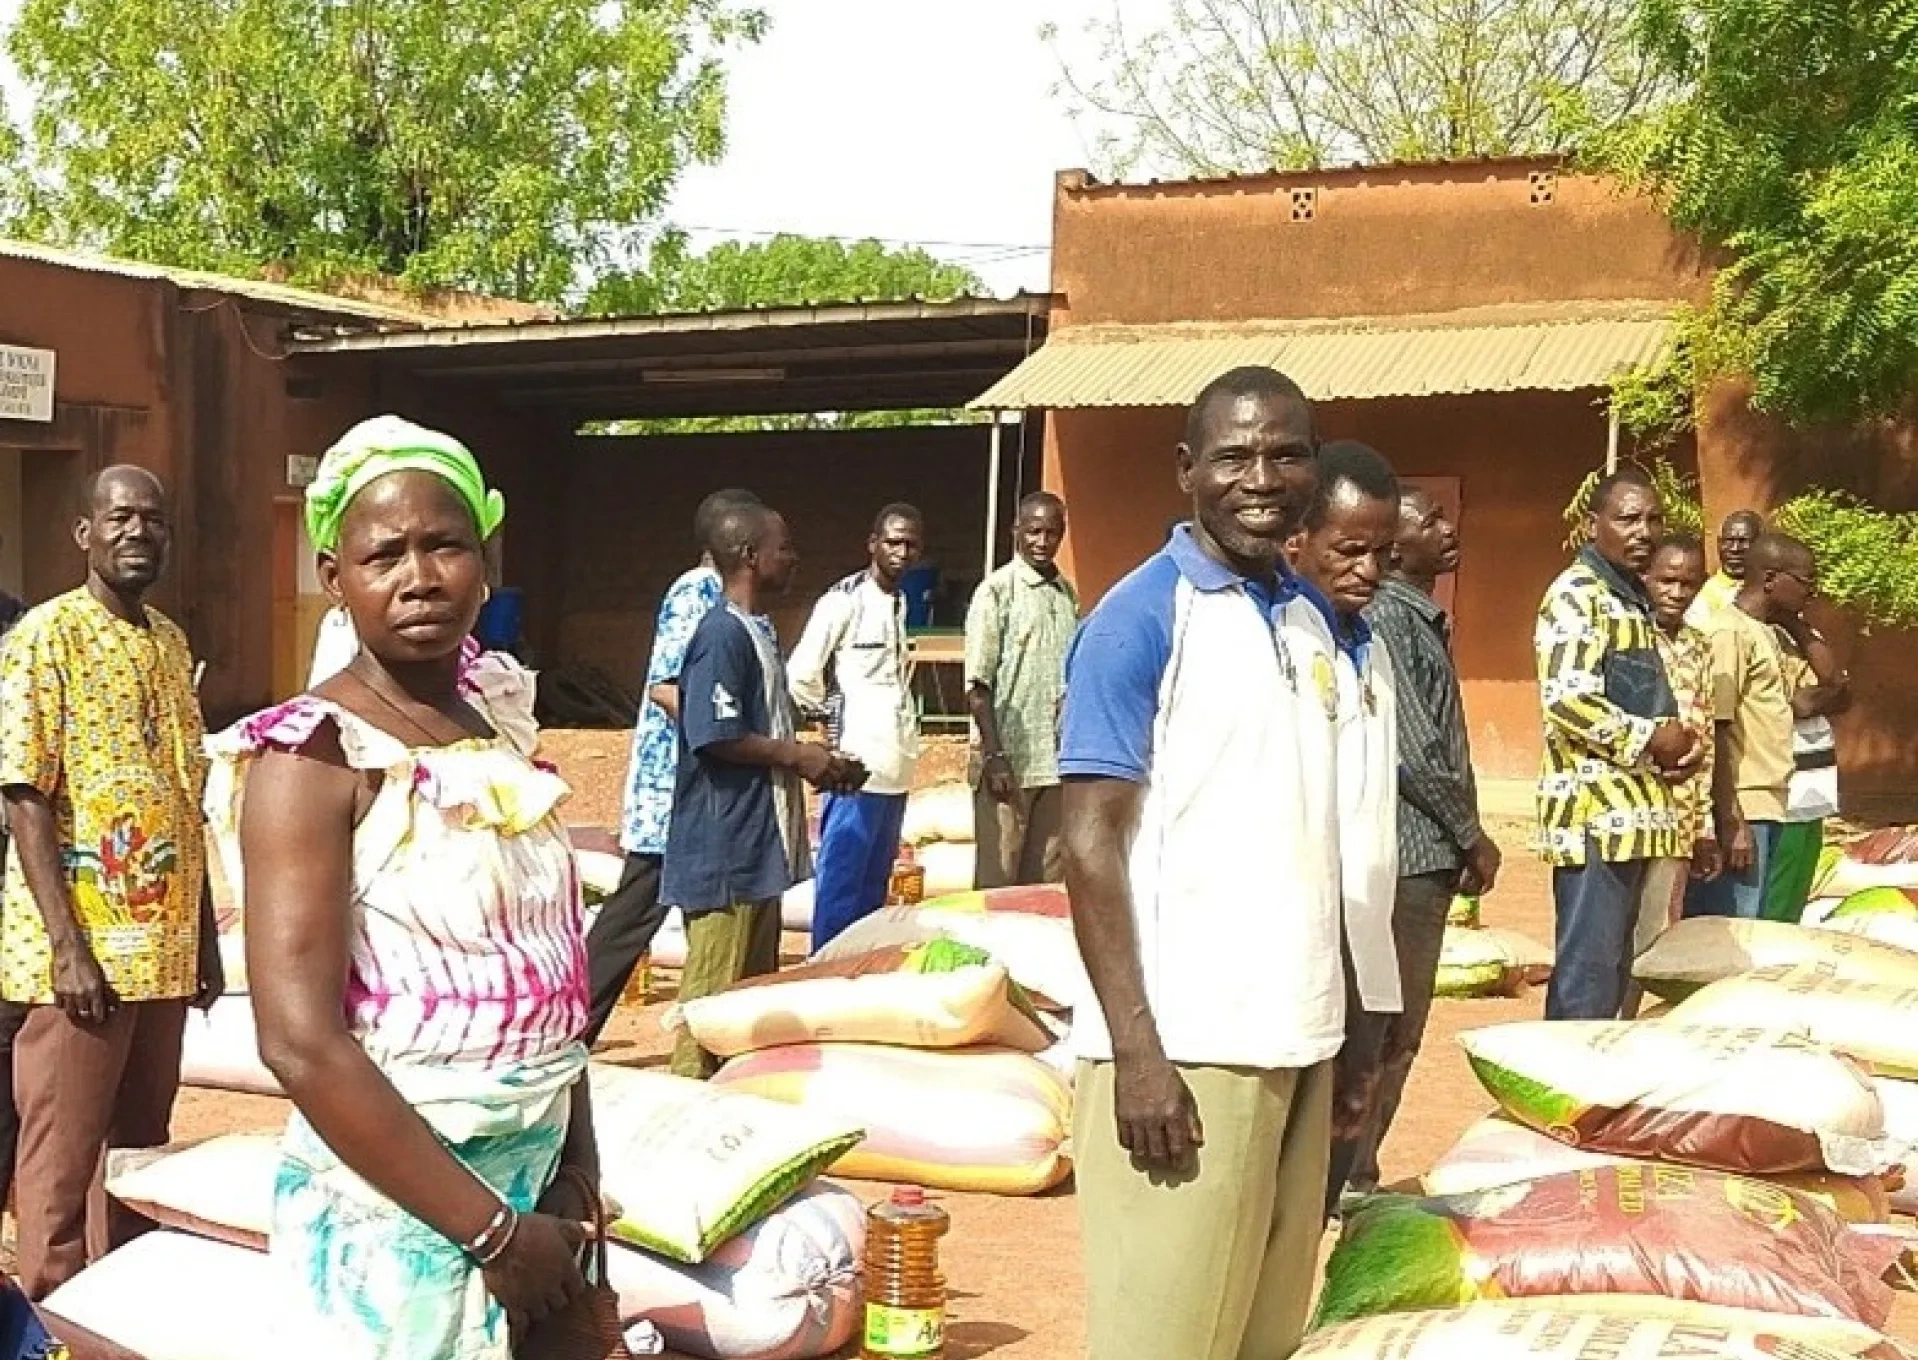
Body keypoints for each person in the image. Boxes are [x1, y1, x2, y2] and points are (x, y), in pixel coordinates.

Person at [212, 416, 597, 1358]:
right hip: (399, 1225)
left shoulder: (498, 719)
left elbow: (557, 976)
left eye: (445, 545)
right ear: (334, 578)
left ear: (485, 557)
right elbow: (299, 1042)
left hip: (540, 1199)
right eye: (384, 554)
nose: (420, 577)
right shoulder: (311, 758)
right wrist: (493, 1235)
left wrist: (576, 1187)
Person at [1062, 366, 1339, 1360]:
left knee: (1259, 1339)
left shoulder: (1309, 618)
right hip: (1186, 1054)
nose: (1260, 477)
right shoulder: (1140, 618)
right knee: (1163, 1342)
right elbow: (1086, 840)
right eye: (1232, 455)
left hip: (1295, 1039)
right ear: (1187, 470)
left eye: (1284, 452)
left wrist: (1346, 1031)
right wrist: (1139, 1052)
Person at [0, 466, 220, 1299]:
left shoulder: (169, 641)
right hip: (81, 961)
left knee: (134, 1157)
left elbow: (183, 801)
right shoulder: (45, 637)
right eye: (121, 517)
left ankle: (116, 1320)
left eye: (154, 520)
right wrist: (68, 949)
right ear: (84, 533)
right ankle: (50, 1328)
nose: (139, 532)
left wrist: (201, 938)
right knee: (58, 1169)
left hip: (160, 958)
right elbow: (24, 793)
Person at [1342, 483, 1502, 1197]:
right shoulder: (1391, 622)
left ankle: (1355, 1170)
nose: (1445, 527)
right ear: (1394, 544)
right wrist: (1471, 835)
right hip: (1410, 855)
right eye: (1428, 519)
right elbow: (1414, 749)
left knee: (1397, 1028)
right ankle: (1350, 1174)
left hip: (1427, 853)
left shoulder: (1420, 619)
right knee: (1389, 1027)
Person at [663, 504, 860, 1078]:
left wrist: (821, 761)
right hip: (724, 849)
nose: (793, 558)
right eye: (784, 548)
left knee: (747, 1005)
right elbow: (715, 734)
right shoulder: (721, 634)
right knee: (710, 1005)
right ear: (750, 556)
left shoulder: (758, 632)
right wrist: (799, 757)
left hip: (755, 848)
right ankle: (685, 1110)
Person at [584, 488, 762, 1045]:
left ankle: (714, 1033)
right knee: (630, 918)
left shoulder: (723, 596)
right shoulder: (697, 591)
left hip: (699, 788)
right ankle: (566, 1031)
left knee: (702, 919)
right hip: (673, 791)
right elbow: (666, 685)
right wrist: (727, 731)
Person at [1284, 441, 1405, 1217]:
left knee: (1342, 1125)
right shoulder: (1285, 647)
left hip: (1363, 936)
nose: (1367, 569)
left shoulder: (1372, 648)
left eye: (1381, 553)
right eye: (1349, 550)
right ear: (1300, 542)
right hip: (1297, 947)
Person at [1535, 470, 1699, 1021]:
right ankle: (1565, 1096)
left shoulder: (1629, 601)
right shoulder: (1577, 597)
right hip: (1595, 821)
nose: (1644, 531)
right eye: (1628, 518)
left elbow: (1638, 701)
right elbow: (1566, 701)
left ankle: (1597, 1096)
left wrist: (1673, 752)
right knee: (1587, 977)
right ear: (1593, 524)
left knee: (1614, 978)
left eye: (1653, 519)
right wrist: (1651, 736)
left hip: (1636, 819)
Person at [790, 503, 924, 951]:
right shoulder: (844, 600)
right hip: (854, 767)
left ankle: (859, 975)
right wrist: (829, 729)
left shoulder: (902, 602)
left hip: (895, 766)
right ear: (872, 545)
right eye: (892, 542)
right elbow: (801, 673)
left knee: (874, 884)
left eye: (910, 544)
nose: (901, 552)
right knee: (841, 884)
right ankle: (825, 968)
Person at [1685, 533, 1822, 920]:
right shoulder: (1730, 632)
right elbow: (1717, 727)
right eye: (1805, 581)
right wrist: (1731, 820)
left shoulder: (1766, 632)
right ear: (1771, 579)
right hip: (1745, 805)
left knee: (1757, 925)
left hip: (1770, 802)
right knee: (1731, 932)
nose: (1810, 593)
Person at [964, 492, 1079, 888]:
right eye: (1033, 532)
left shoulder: (1066, 594)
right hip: (1008, 765)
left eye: (1051, 533)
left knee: (1044, 884)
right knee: (997, 882)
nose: (1042, 542)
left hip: (1053, 765)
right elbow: (978, 687)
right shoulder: (997, 591)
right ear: (1016, 532)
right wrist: (995, 756)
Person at [1627, 536, 1720, 1015]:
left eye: (1688, 584)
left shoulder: (1701, 649)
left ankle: (1625, 1026)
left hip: (1677, 818)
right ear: (1646, 578)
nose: (1677, 592)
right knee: (1608, 935)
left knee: (1653, 936)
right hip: (1625, 809)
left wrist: (1703, 826)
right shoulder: (1627, 637)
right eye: (1667, 580)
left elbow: (1705, 738)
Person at [1764, 615, 1849, 921]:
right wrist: (1825, 694)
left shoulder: (1803, 632)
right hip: (1781, 785)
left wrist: (1795, 624)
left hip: (1814, 786)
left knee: (1795, 895)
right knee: (1771, 898)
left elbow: (1839, 693)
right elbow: (1797, 705)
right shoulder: (1728, 617)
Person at [1688, 510, 1764, 625]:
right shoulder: (1705, 595)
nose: (1734, 548)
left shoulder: (1770, 588)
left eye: (1743, 541)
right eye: (1729, 541)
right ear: (1719, 544)